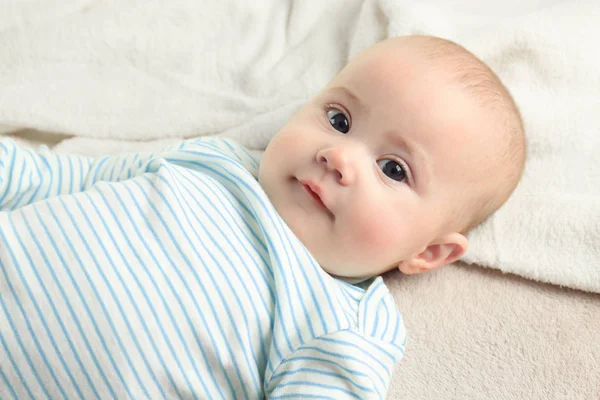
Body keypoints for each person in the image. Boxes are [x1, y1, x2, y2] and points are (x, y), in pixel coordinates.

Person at [0, 35, 525, 399]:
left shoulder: (340, 320)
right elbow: (52, 178)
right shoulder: (214, 161)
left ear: (427, 252)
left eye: (393, 169)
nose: (338, 157)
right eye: (338, 119)